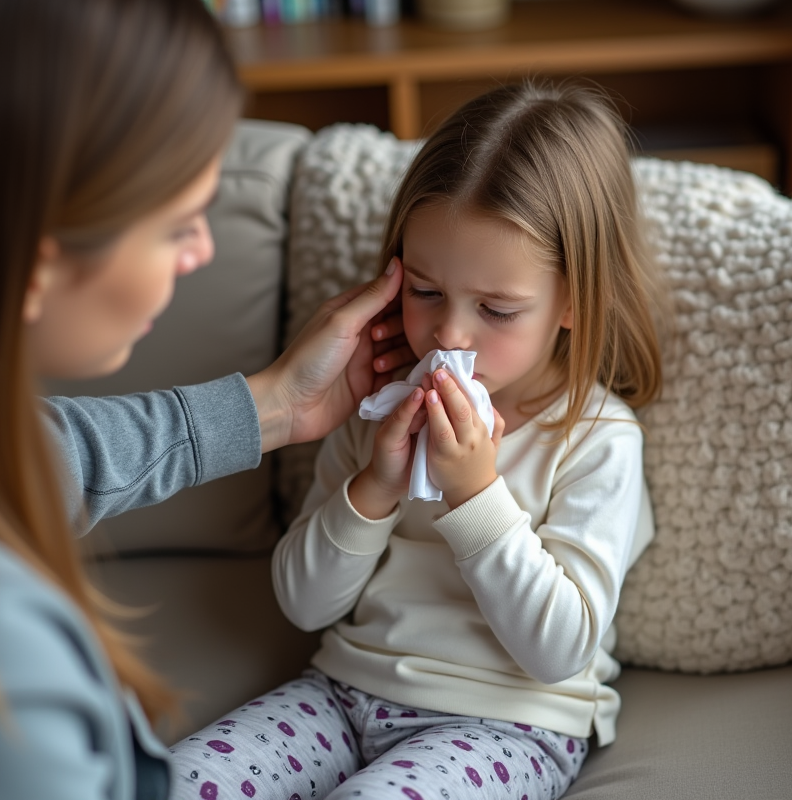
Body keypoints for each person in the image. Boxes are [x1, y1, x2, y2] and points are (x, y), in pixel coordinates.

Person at [0, 2, 412, 798]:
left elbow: (53, 452)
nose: (203, 251)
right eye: (179, 225)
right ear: (38, 264)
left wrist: (275, 406)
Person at [167, 81, 666, 800]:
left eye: (497, 309)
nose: (449, 335)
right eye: (426, 291)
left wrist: (476, 494)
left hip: (507, 724)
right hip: (341, 693)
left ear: (574, 303)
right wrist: (373, 488)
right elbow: (305, 605)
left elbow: (560, 648)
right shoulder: (381, 403)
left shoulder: (596, 438)